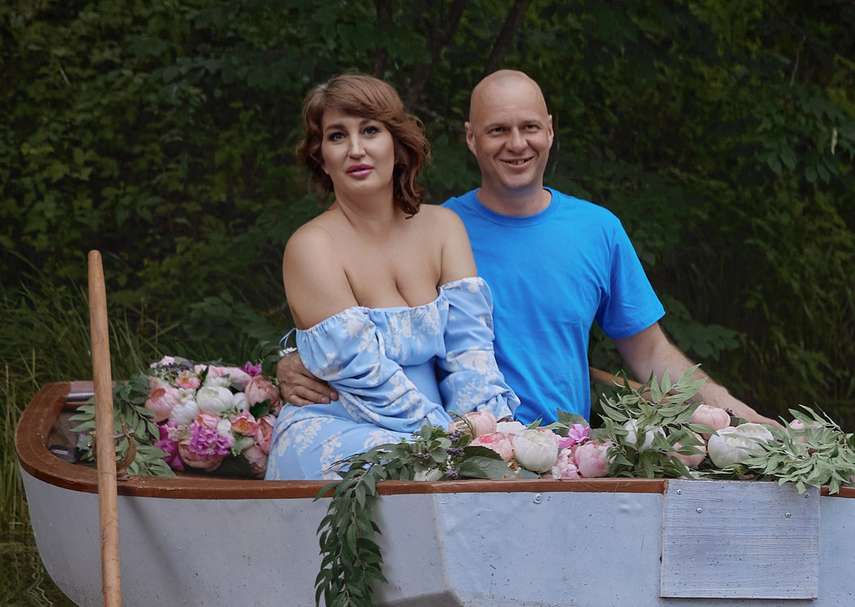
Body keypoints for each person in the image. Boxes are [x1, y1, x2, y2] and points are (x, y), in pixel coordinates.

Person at [278, 69, 766, 426]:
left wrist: (742, 415)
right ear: (471, 139)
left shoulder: (598, 229)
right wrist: (287, 360)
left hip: (565, 457)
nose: (517, 144)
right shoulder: (433, 230)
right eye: (497, 130)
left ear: (550, 130)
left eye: (529, 127)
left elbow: (651, 353)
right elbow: (352, 328)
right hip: (457, 457)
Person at [263, 73, 519, 480]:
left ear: (397, 145)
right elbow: (368, 380)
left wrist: (491, 428)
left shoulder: (443, 228)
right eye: (336, 136)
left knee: (513, 458)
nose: (356, 149)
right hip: (343, 432)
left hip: (436, 434)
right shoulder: (312, 246)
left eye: (370, 130)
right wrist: (453, 443)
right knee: (416, 466)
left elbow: (470, 354)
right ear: (321, 157)